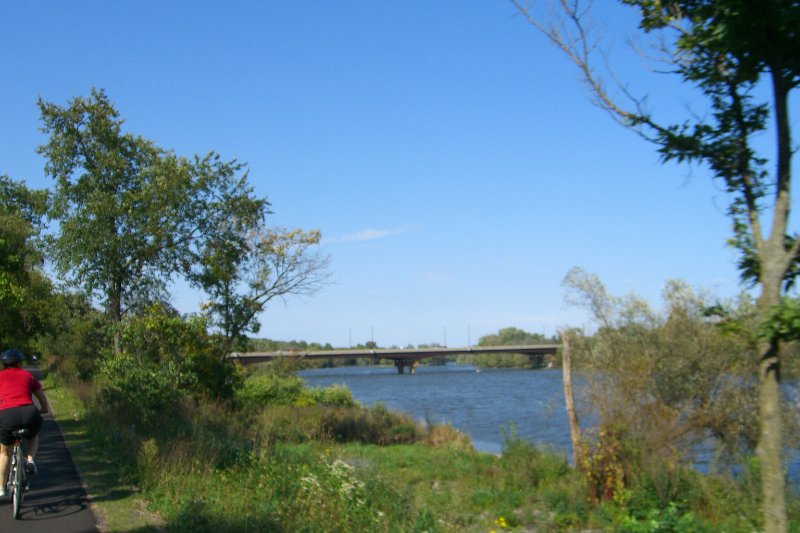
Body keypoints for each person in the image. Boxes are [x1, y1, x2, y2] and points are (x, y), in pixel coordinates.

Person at [0, 349, 51, 497]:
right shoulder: (28, 375)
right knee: (33, 434)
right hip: (29, 412)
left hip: (7, 415)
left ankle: (1, 488)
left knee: (4, 452)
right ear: (20, 363)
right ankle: (30, 459)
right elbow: (41, 397)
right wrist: (43, 409)